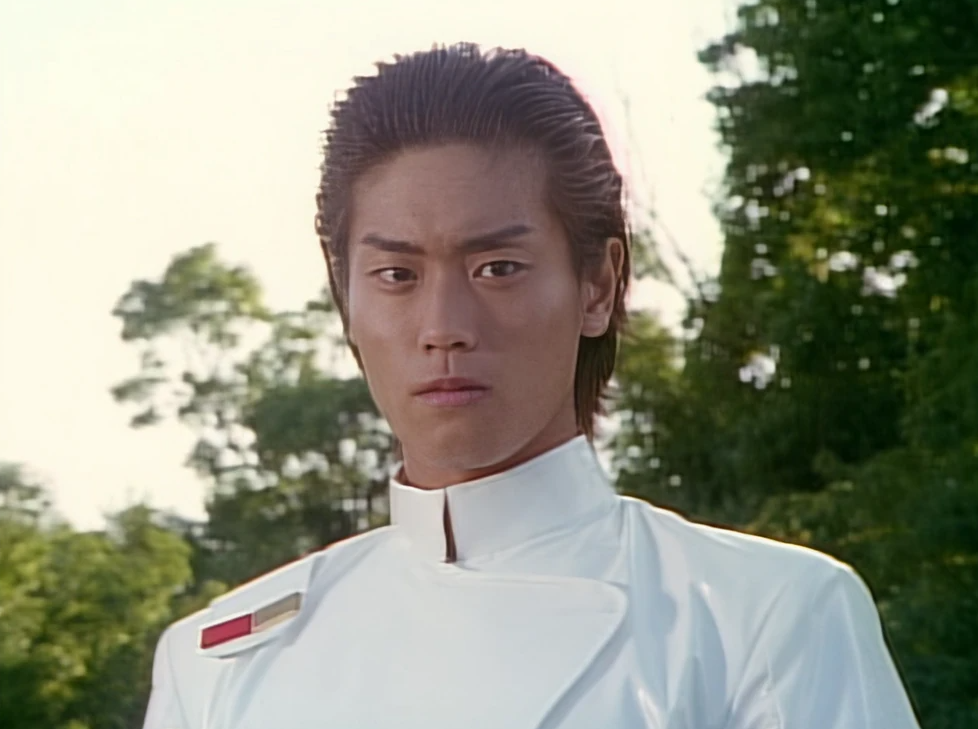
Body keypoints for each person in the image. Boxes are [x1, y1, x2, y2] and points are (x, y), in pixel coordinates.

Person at [142, 43, 921, 728]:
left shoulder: (762, 616)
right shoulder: (219, 664)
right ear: (346, 299)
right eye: (397, 275)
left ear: (598, 286)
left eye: (498, 268)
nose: (443, 325)